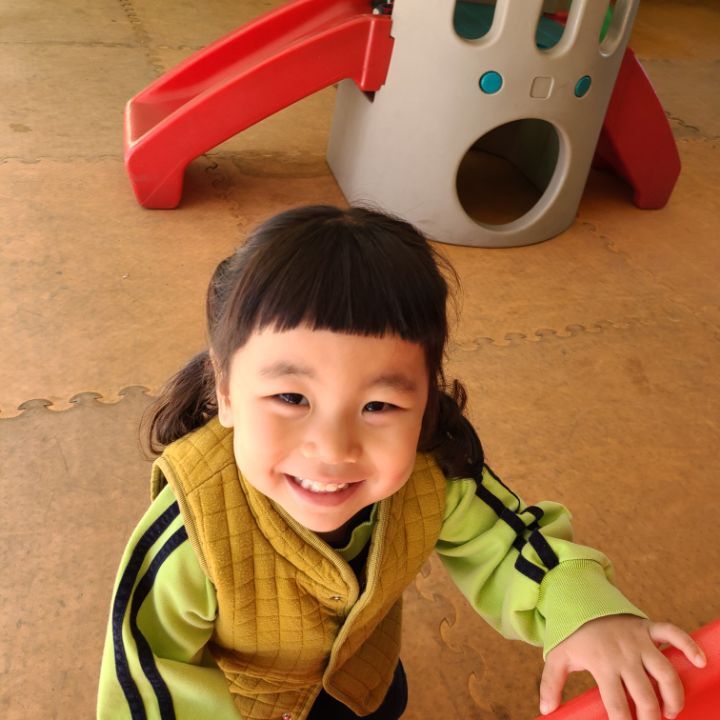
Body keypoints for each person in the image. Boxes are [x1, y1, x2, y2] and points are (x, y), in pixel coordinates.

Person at [97, 205, 705, 720]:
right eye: (290, 398)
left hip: (366, 688)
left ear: (425, 400)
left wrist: (585, 612)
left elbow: (513, 543)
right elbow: (145, 675)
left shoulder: (435, 472)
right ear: (226, 390)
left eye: (380, 405)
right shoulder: (192, 526)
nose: (333, 448)